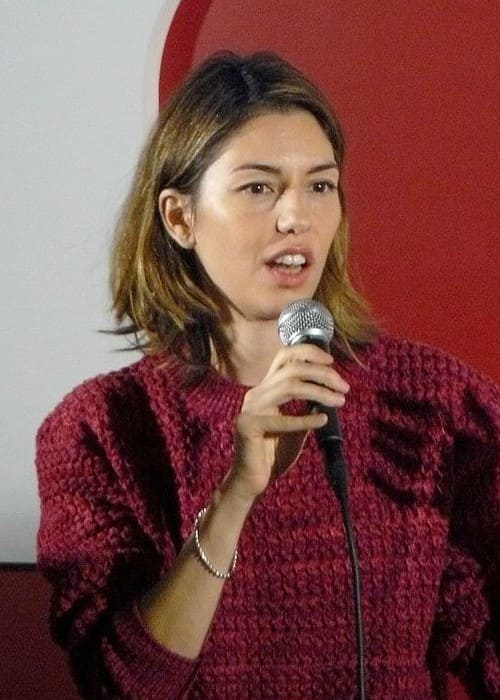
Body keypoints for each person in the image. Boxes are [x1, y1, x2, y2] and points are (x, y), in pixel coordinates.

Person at [36, 51, 499, 699]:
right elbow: (123, 684)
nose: (297, 217)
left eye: (320, 185)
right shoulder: (102, 427)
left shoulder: (432, 399)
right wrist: (235, 495)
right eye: (259, 187)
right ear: (180, 218)